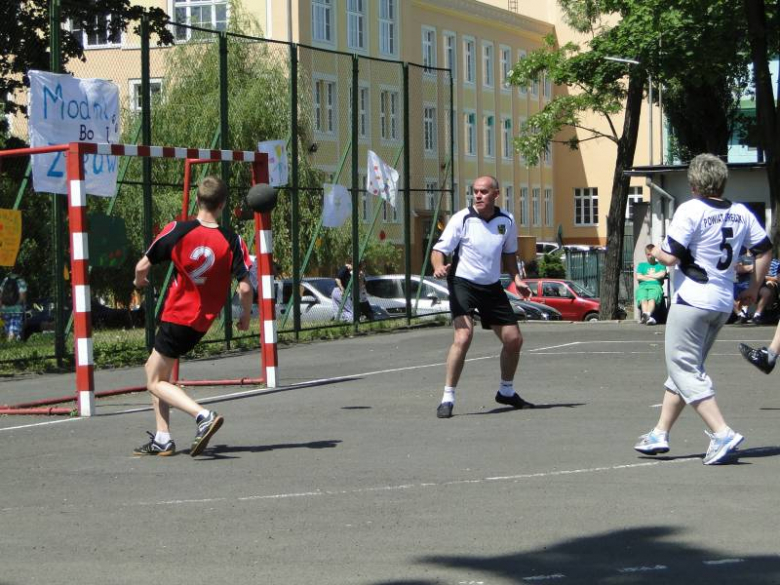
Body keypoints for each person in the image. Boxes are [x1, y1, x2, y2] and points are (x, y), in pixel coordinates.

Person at [634, 154, 772, 465]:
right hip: (722, 303)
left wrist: (654, 249)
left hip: (692, 300)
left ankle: (722, 432)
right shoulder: (740, 212)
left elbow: (671, 258)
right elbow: (764, 249)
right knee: (685, 369)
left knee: (684, 368)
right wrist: (753, 286)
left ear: (694, 184)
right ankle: (660, 432)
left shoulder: (691, 209)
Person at [132, 176, 253, 457]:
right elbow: (245, 287)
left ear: (197, 200)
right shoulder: (232, 239)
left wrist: (140, 283)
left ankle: (202, 416)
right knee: (156, 369)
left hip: (178, 315)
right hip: (202, 321)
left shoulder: (177, 230)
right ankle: (163, 438)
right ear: (222, 204)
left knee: (153, 380)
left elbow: (142, 266)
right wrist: (245, 317)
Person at [431, 175, 534, 419]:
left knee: (514, 340)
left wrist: (517, 279)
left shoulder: (506, 220)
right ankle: (448, 397)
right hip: (462, 283)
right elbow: (439, 250)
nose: (477, 195)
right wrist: (438, 266)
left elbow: (509, 254)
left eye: (483, 192)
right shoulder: (462, 218)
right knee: (464, 336)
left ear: (496, 194)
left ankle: (506, 391)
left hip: (491, 286)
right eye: (475, 191)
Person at [635, 244, 666, 325]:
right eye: (648, 254)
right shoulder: (642, 265)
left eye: (652, 254)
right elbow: (638, 277)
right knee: (643, 299)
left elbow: (662, 275)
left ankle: (646, 316)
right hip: (643, 286)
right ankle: (649, 318)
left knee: (652, 298)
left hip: (655, 286)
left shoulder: (661, 264)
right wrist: (654, 277)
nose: (650, 256)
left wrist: (646, 276)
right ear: (646, 254)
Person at [749, 256, 780, 324]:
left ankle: (768, 310)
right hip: (759, 282)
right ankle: (762, 312)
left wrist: (767, 278)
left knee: (769, 284)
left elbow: (777, 278)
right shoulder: (757, 261)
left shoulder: (776, 262)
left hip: (772, 282)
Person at [0, 272, 27, 342]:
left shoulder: (5, 280)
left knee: (7, 329)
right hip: (17, 309)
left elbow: (1, 295)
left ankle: (10, 344)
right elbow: (22, 297)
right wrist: (23, 306)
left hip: (5, 309)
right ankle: (12, 343)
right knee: (14, 330)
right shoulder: (20, 281)